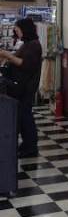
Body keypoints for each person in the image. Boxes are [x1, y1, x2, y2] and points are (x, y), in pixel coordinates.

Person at [0, 18, 42, 158]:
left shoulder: (34, 45)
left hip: (26, 87)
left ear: (25, 29)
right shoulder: (27, 44)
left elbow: (25, 64)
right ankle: (26, 144)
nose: (16, 32)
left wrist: (7, 55)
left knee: (25, 117)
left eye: (18, 30)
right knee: (23, 116)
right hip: (21, 86)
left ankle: (30, 147)